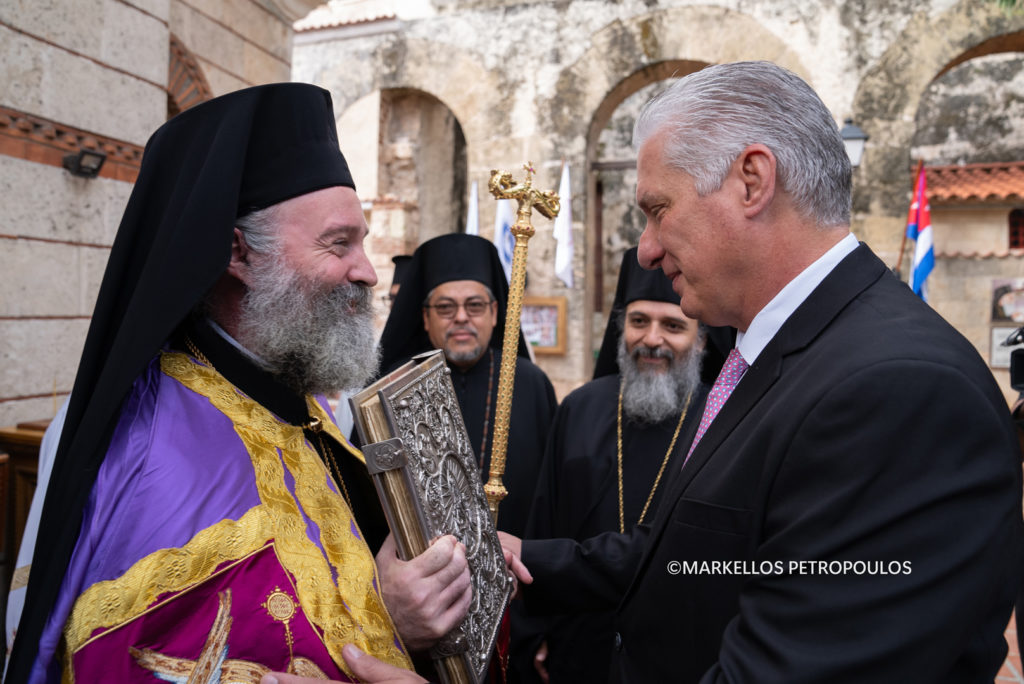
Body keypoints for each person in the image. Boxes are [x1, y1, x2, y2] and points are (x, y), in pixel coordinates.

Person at [503, 61, 1024, 682]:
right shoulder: (771, 348)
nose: (644, 248)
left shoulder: (897, 390)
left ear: (752, 180)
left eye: (657, 209)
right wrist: (523, 559)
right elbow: (700, 553)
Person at [6, 84, 470, 684]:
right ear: (237, 252)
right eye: (339, 243)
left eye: (364, 241)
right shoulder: (140, 450)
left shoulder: (299, 396)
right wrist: (387, 616)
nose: (367, 271)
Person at [523, 247, 710, 682]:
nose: (651, 339)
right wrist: (536, 633)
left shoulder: (718, 417)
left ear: (701, 338)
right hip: (578, 645)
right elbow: (543, 524)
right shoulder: (581, 407)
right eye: (639, 321)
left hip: (675, 653)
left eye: (674, 326)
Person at [377, 233, 557, 539]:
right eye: (446, 308)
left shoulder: (530, 383)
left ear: (495, 313)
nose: (461, 317)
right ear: (425, 317)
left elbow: (553, 492)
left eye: (474, 306)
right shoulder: (394, 386)